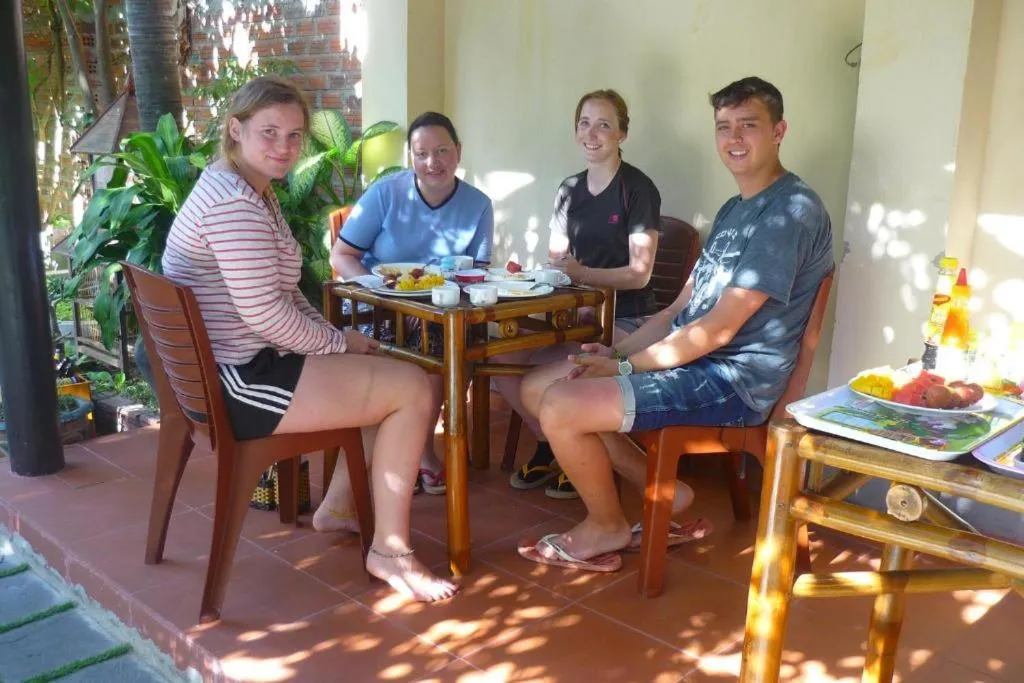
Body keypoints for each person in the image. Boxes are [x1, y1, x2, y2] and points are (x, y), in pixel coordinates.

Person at [515, 76, 834, 572]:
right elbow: (675, 311)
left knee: (561, 403)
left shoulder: (789, 212)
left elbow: (719, 330)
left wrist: (627, 369)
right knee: (540, 388)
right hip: (695, 361)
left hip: (733, 380)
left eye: (748, 125)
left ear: (778, 132)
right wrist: (617, 355)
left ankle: (606, 525)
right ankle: (662, 491)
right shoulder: (734, 210)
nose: (733, 138)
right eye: (724, 126)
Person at [161, 76, 458, 601]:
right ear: (236, 130)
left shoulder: (243, 187)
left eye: (295, 135)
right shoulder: (234, 205)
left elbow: (283, 292)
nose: (285, 146)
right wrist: (338, 344)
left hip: (241, 364)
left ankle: (340, 507)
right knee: (412, 388)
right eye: (269, 132)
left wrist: (335, 336)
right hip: (241, 382)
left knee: (392, 375)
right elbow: (266, 315)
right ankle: (390, 552)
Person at [495, 89, 662, 500]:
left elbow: (640, 275)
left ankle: (580, 452)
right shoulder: (569, 189)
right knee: (499, 358)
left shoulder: (637, 188)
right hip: (575, 315)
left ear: (622, 134)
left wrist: (583, 274)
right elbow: (559, 263)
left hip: (628, 319)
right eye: (584, 123)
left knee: (561, 370)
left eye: (604, 124)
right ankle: (552, 445)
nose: (592, 133)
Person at [329, 111, 494, 497]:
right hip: (379, 305)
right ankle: (414, 454)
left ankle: (418, 451)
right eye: (421, 154)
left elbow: (479, 272)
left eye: (442, 151)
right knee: (414, 347)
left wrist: (442, 297)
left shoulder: (478, 205)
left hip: (440, 308)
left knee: (445, 343)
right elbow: (342, 256)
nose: (432, 162)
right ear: (411, 157)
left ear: (458, 151)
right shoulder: (386, 193)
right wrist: (383, 292)